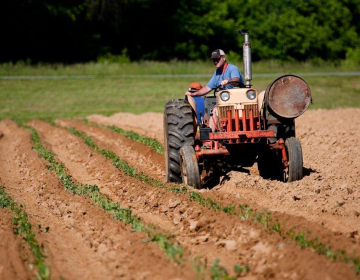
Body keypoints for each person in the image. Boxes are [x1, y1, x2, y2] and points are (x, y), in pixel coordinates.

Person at [185, 49, 244, 131]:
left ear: (224, 58)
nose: (215, 61)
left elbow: (237, 80)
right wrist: (193, 94)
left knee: (216, 111)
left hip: (238, 102)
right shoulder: (218, 72)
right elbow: (207, 88)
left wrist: (228, 81)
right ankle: (211, 139)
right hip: (224, 103)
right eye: (213, 60)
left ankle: (211, 136)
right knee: (215, 111)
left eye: (217, 59)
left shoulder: (232, 68)